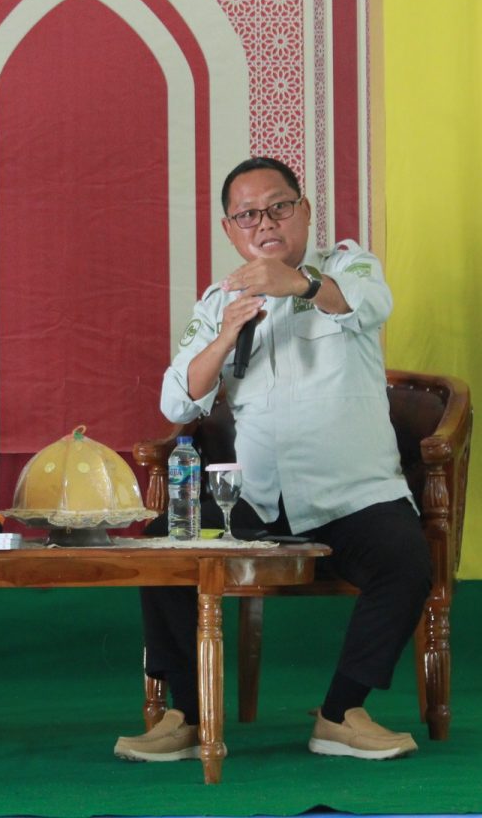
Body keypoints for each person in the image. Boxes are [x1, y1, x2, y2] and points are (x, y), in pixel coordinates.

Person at [113, 157, 431, 763]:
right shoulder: (220, 301)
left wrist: (301, 285)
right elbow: (177, 399)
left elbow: (372, 305)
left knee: (406, 561)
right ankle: (187, 716)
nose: (265, 223)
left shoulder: (347, 266)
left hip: (351, 494)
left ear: (303, 211)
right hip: (255, 500)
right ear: (230, 230)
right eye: (248, 215)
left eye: (279, 207)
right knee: (164, 547)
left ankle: (342, 713)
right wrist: (224, 336)